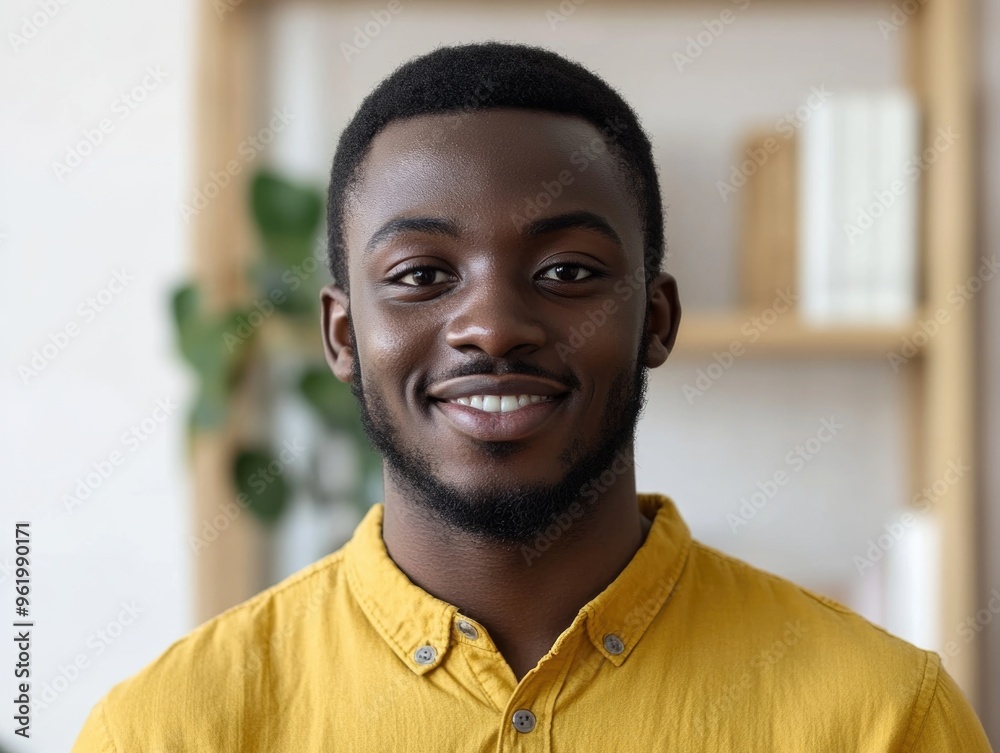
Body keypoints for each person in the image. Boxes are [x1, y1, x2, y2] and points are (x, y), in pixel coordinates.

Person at [72, 42, 992, 751]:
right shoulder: (170, 728)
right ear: (343, 337)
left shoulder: (879, 718)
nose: (494, 326)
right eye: (424, 273)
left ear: (657, 320)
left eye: (567, 269)